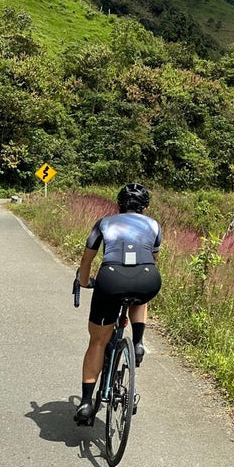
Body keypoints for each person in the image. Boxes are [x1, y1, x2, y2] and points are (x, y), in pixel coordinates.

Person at [74, 182, 162, 425]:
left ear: (119, 204)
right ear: (144, 207)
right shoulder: (154, 225)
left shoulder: (104, 222)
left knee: (98, 341)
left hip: (111, 278)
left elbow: (87, 256)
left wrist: (83, 281)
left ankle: (85, 402)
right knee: (139, 295)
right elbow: (152, 258)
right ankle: (138, 342)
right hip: (148, 277)